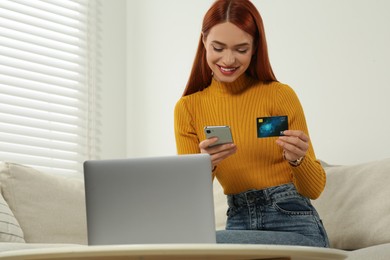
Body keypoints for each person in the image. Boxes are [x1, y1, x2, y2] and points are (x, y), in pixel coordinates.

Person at [174, 0, 329, 248]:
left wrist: (298, 160)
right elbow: (189, 201)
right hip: (238, 222)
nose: (228, 59)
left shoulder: (279, 95)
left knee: (196, 245)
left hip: (295, 223)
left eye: (241, 49)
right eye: (218, 47)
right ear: (203, 42)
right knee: (190, 244)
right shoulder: (188, 109)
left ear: (255, 47)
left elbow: (315, 189)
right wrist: (204, 166)